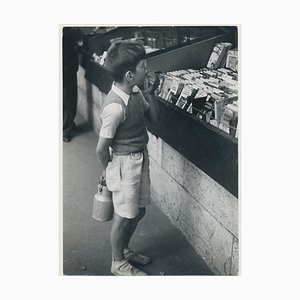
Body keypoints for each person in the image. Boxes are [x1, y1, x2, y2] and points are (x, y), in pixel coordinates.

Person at [96, 40, 160, 276]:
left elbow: (153, 117)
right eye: (145, 66)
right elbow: (101, 149)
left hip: (139, 159)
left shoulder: (134, 91)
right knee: (123, 217)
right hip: (123, 165)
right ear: (131, 74)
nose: (148, 69)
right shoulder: (114, 107)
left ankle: (124, 249)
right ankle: (117, 262)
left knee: (138, 211)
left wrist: (150, 93)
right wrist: (110, 173)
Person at [63, 27, 83, 142]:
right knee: (70, 98)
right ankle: (66, 130)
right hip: (67, 66)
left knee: (63, 97)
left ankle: (66, 123)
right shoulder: (67, 28)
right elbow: (77, 35)